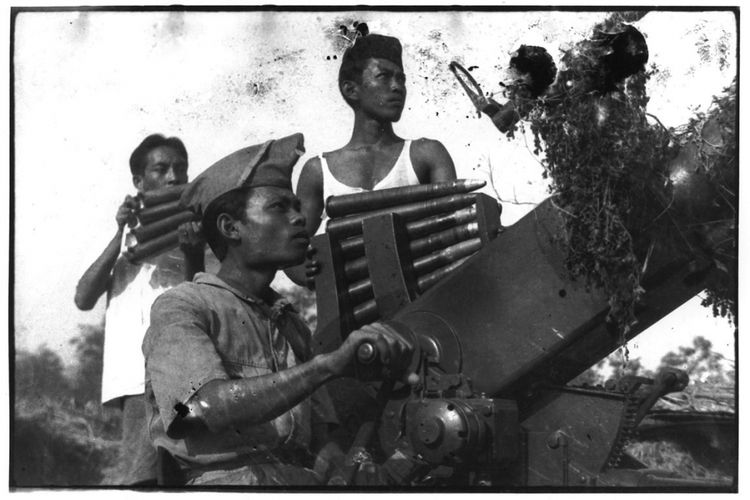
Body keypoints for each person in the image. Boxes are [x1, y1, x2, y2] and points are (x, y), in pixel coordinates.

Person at [142, 133, 414, 486]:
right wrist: (326, 366)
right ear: (230, 228)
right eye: (278, 207)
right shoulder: (185, 306)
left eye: (297, 207)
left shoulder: (290, 325)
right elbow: (199, 409)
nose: (299, 218)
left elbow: (322, 445)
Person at [74, 134, 204, 486]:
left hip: (185, 375)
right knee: (141, 479)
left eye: (181, 168)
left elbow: (205, 298)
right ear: (139, 181)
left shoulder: (197, 232)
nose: (175, 177)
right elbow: (83, 298)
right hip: (134, 379)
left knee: (191, 477)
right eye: (161, 169)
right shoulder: (121, 239)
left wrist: (193, 251)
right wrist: (120, 232)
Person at [285, 34, 456, 286]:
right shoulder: (318, 170)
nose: (397, 87)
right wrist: (314, 276)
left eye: (401, 79)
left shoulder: (426, 154)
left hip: (423, 300)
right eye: (384, 76)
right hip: (351, 309)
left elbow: (452, 228)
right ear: (351, 89)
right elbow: (291, 245)